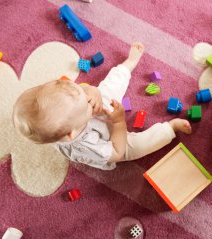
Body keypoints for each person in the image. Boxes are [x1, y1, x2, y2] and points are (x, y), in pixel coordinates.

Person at [13, 43, 192, 170]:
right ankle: (170, 129)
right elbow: (118, 151)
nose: (84, 93)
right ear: (71, 134)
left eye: (80, 92)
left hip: (92, 116)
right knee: (138, 147)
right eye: (85, 104)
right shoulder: (86, 146)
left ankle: (127, 65)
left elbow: (80, 92)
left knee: (106, 88)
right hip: (111, 141)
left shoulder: (68, 112)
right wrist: (119, 122)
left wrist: (91, 91)